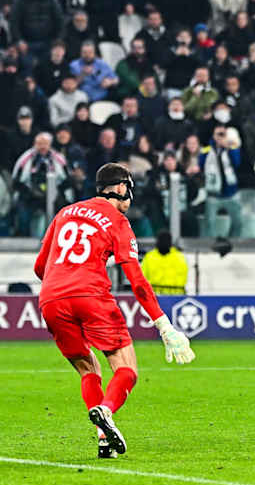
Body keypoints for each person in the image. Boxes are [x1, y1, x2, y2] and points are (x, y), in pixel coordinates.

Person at [33, 164, 195, 460]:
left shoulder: (65, 213)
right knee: (126, 369)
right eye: (129, 189)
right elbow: (137, 281)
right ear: (120, 188)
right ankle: (106, 411)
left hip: (51, 299)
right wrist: (164, 326)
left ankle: (103, 438)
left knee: (88, 370)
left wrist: (63, 285)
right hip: (91, 296)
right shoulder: (117, 221)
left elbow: (39, 267)